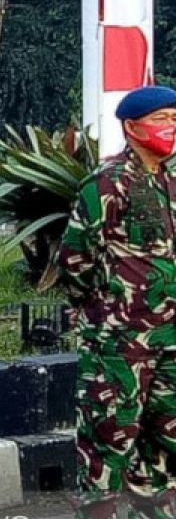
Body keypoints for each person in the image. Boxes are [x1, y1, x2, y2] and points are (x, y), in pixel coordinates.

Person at [56, 85, 176, 519]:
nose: (171, 127)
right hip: (119, 344)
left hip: (170, 343)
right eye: (161, 119)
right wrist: (105, 309)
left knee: (165, 444)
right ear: (132, 126)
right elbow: (75, 258)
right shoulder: (107, 183)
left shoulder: (172, 180)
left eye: (174, 119)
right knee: (108, 441)